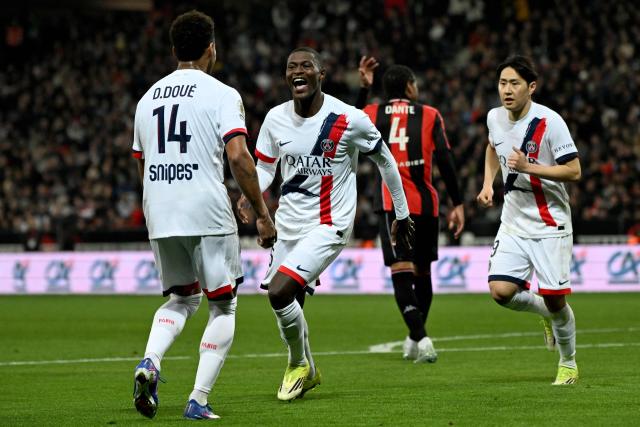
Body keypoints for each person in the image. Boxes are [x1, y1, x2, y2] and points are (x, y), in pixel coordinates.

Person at [237, 47, 414, 401]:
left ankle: (299, 365)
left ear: (321, 75)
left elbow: (386, 162)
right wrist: (250, 193)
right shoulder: (275, 119)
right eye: (291, 67)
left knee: (280, 292)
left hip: (330, 222)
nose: (297, 71)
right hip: (288, 222)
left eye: (306, 66)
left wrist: (402, 213)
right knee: (291, 303)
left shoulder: (348, 119)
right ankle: (307, 369)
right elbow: (267, 168)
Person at [130, 10, 276, 420]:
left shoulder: (146, 100)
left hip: (159, 209)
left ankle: (151, 362)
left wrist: (154, 206)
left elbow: (141, 165)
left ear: (174, 49)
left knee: (181, 297)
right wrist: (263, 214)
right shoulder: (221, 93)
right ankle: (198, 399)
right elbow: (239, 157)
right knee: (223, 305)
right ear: (212, 47)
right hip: (206, 208)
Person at [476, 55, 581, 385]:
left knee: (555, 299)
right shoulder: (495, 117)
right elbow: (493, 147)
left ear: (531, 87)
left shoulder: (550, 122)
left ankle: (568, 363)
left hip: (550, 224)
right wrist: (487, 183)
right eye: (503, 83)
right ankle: (544, 315)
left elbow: (574, 170)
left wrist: (529, 167)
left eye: (514, 84)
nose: (507, 90)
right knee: (500, 291)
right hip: (513, 221)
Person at [355, 58, 465, 363]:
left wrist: (363, 90)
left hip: (391, 206)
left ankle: (419, 337)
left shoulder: (373, 113)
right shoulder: (430, 114)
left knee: (401, 275)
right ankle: (418, 336)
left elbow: (349, 122)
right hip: (425, 206)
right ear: (408, 86)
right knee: (423, 274)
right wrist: (458, 203)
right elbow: (445, 161)